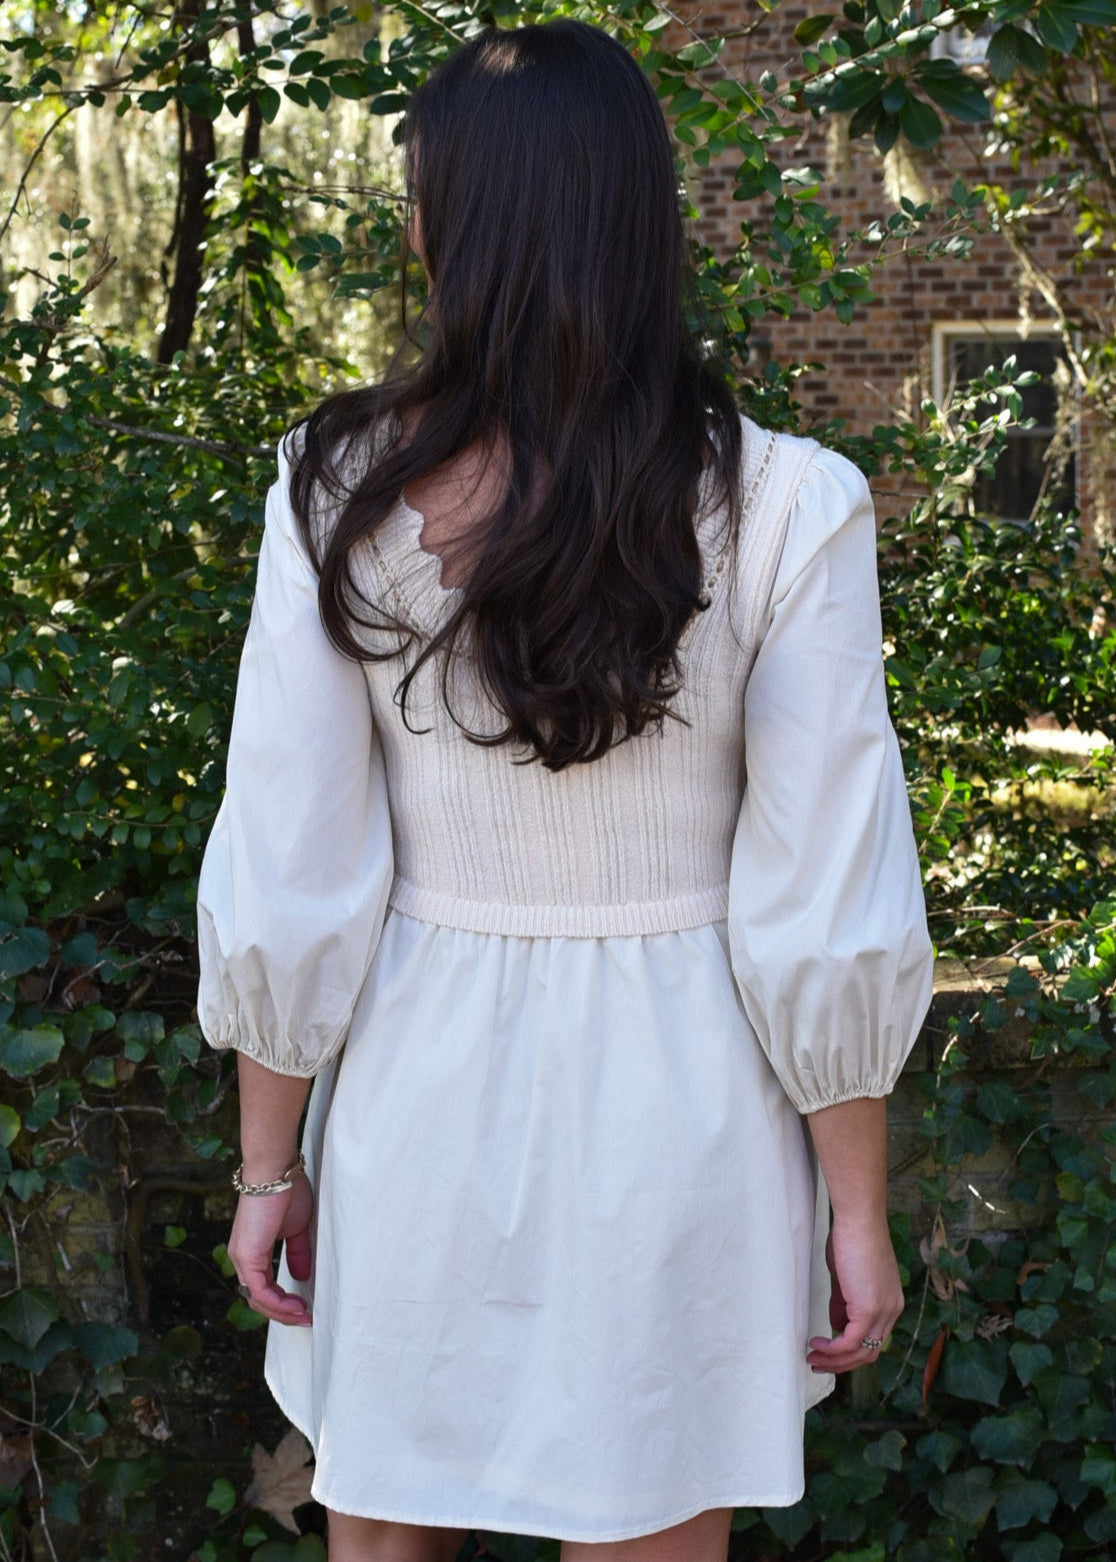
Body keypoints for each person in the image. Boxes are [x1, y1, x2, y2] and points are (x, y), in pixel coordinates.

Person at [196, 18, 934, 1562]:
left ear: (446, 230)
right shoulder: (791, 503)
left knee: (384, 1536)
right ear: (643, 219)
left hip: (414, 1100)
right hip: (691, 1112)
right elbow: (822, 900)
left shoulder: (338, 491)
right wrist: (855, 1207)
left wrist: (269, 1166)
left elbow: (290, 863)